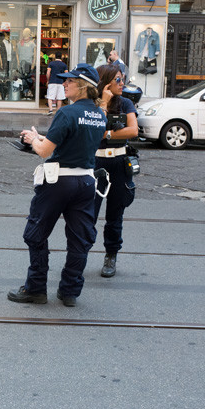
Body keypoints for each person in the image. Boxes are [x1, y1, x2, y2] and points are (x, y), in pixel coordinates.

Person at [8, 64, 107, 308]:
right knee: (79, 239)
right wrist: (42, 138)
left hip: (58, 182)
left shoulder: (66, 113)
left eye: (69, 81)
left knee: (36, 234)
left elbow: (44, 151)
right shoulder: (99, 115)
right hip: (85, 182)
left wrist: (33, 140)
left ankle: (36, 289)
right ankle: (70, 291)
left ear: (82, 86)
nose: (64, 84)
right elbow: (74, 145)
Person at [93, 64, 139, 278]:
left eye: (123, 79)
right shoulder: (94, 103)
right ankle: (79, 253)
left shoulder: (126, 102)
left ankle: (111, 255)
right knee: (87, 213)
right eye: (118, 80)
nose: (122, 84)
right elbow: (93, 129)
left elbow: (133, 130)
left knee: (115, 214)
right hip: (96, 164)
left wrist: (108, 134)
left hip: (119, 162)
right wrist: (103, 102)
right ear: (107, 82)